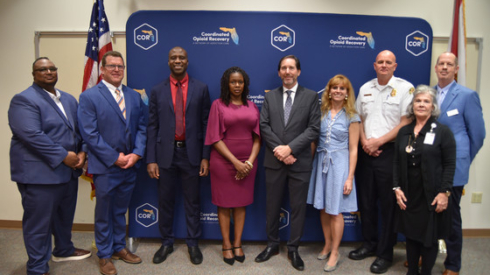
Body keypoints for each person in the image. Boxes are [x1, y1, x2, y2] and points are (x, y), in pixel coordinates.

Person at [8, 57, 91, 275]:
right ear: (33, 74)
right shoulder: (24, 100)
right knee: (39, 224)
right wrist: (64, 156)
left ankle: (63, 249)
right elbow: (31, 135)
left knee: (64, 216)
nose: (48, 72)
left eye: (52, 68)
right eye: (42, 69)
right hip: (40, 174)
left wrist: (82, 152)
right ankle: (37, 267)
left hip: (68, 172)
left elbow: (80, 131)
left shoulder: (69, 99)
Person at [78, 51, 147, 275]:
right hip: (106, 166)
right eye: (111, 66)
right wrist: (114, 157)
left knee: (120, 211)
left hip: (130, 165)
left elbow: (142, 128)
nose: (117, 70)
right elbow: (89, 134)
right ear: (102, 69)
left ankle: (119, 248)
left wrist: (136, 154)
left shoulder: (134, 96)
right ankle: (105, 255)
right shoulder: (90, 97)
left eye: (120, 66)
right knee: (104, 212)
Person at [350, 50, 414, 274]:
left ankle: (385, 253)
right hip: (366, 151)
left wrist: (378, 142)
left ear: (395, 66)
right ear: (374, 65)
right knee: (366, 203)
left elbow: (406, 123)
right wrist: (366, 142)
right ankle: (369, 244)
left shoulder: (405, 88)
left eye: (388, 62)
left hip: (390, 153)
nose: (384, 65)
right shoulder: (365, 88)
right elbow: (357, 119)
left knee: (388, 206)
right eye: (380, 62)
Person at [256, 55, 321, 271]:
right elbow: (264, 126)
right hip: (274, 161)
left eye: (291, 68)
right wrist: (282, 152)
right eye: (283, 68)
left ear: (298, 71)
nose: (287, 72)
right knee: (272, 206)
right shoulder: (270, 97)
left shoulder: (311, 97)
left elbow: (313, 129)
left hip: (299, 161)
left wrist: (290, 149)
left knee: (298, 208)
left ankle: (293, 248)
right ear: (278, 72)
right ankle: (272, 244)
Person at [147, 46, 211, 265]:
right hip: (165, 154)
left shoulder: (201, 88)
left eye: (181, 57)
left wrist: (205, 156)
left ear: (187, 61)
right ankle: (166, 242)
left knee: (192, 202)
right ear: (168, 62)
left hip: (191, 154)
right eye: (173, 57)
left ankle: (193, 243)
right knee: (165, 201)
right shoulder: (157, 90)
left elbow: (205, 124)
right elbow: (152, 126)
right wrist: (151, 159)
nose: (177, 60)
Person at [393, 85, 456, 275]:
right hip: (409, 193)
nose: (421, 104)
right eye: (418, 101)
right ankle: (412, 271)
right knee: (411, 236)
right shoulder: (404, 132)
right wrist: (397, 188)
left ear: (433, 106)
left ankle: (426, 272)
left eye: (426, 101)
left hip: (432, 194)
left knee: (429, 237)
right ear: (412, 105)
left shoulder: (443, 132)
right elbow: (396, 162)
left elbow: (449, 165)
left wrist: (444, 193)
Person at [434, 52, 485, 275]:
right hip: (430, 165)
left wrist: (463, 160)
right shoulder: (427, 94)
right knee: (427, 214)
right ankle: (424, 257)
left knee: (450, 216)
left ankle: (453, 264)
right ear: (436, 68)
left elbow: (478, 135)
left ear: (456, 69)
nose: (444, 67)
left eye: (449, 64)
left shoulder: (467, 95)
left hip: (453, 167)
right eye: (441, 64)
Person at [205, 67, 261, 265]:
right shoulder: (218, 105)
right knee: (224, 204)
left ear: (245, 84)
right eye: (233, 82)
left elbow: (258, 138)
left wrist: (249, 162)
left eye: (240, 82)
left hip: (248, 163)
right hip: (223, 162)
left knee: (240, 204)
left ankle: (238, 244)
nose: (237, 85)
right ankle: (226, 244)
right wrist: (236, 163)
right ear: (226, 84)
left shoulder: (253, 106)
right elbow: (214, 138)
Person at [307, 74, 360, 272]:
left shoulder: (353, 116)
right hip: (320, 162)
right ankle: (327, 244)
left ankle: (336, 251)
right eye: (334, 87)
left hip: (340, 165)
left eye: (342, 88)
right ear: (329, 91)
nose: (338, 91)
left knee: (335, 210)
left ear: (347, 93)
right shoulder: (321, 112)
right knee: (322, 207)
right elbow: (314, 141)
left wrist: (350, 177)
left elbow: (354, 149)